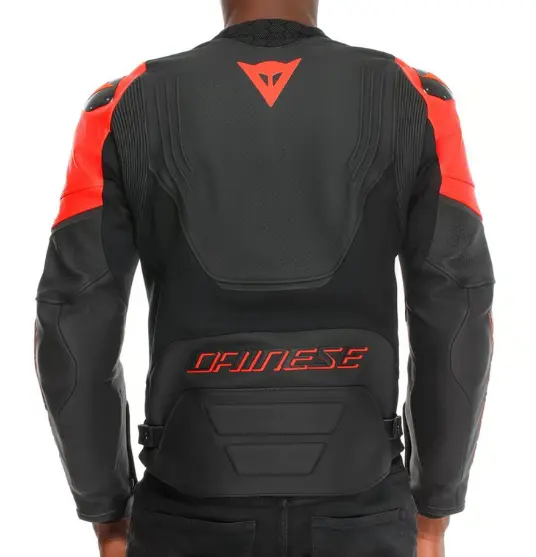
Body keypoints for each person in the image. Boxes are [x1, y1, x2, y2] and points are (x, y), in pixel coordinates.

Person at [34, 0, 494, 556]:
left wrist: (107, 512)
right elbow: (457, 306)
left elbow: (72, 317)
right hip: (362, 500)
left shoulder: (121, 105)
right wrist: (434, 508)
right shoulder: (417, 99)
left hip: (187, 500)